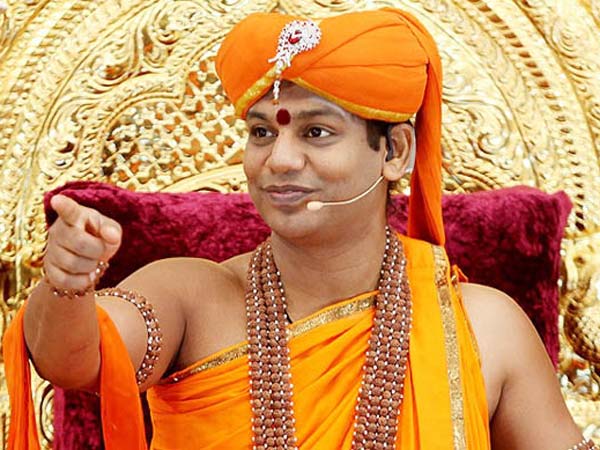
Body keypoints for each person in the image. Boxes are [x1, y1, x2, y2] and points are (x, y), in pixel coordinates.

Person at [3, 7, 596, 450]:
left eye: (316, 132)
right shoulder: (191, 296)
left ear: (394, 151)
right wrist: (66, 285)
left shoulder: (485, 326)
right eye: (262, 132)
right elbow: (72, 360)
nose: (279, 160)